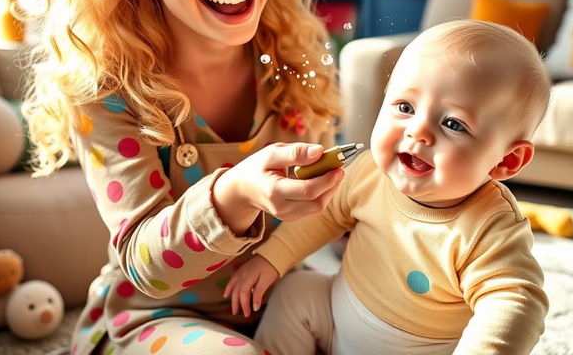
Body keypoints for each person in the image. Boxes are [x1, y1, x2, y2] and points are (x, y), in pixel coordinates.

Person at [22, 0, 345, 355]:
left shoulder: (292, 60)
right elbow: (148, 269)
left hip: (284, 294)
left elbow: (325, 214)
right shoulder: (108, 93)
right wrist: (237, 191)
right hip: (155, 319)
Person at [226, 19, 551, 355]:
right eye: (405, 108)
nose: (418, 132)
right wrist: (272, 259)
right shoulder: (368, 173)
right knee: (295, 291)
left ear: (506, 162)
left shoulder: (489, 227)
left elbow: (515, 300)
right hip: (335, 317)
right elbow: (321, 216)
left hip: (419, 347)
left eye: (453, 123)